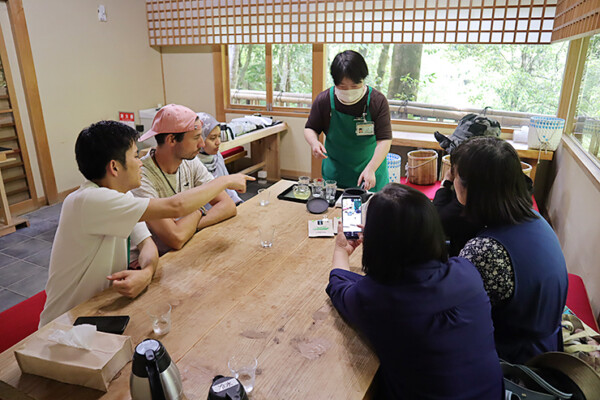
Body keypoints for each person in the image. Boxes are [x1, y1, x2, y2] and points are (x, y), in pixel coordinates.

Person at [40, 120, 252, 327]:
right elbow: (176, 206)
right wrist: (224, 181)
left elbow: (147, 244)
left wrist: (147, 272)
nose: (141, 162)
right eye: (134, 156)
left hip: (101, 308)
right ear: (114, 167)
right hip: (65, 323)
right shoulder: (90, 200)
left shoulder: (123, 197)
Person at [326, 184, 503, 400]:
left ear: (377, 241)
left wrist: (341, 251)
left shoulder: (377, 298)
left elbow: (338, 285)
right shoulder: (467, 272)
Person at [452, 136, 568, 364]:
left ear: (471, 188)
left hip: (514, 365)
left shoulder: (485, 252)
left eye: (454, 175)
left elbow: (454, 316)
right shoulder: (535, 219)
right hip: (547, 347)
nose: (450, 179)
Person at [132, 104, 237, 253]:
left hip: (189, 246)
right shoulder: (141, 178)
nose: (201, 143)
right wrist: (200, 210)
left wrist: (189, 224)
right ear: (171, 140)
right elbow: (176, 238)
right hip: (160, 260)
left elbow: (228, 205)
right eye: (196, 137)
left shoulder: (191, 162)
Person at [304, 50, 391, 191]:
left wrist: (371, 168)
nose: (349, 91)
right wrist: (314, 143)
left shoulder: (377, 101)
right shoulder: (324, 100)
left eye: (355, 86)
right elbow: (310, 128)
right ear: (335, 82)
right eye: (343, 87)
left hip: (370, 174)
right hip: (336, 176)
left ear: (363, 80)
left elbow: (384, 140)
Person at [196, 112, 243, 205]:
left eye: (219, 136)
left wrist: (238, 202)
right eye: (213, 138)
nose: (218, 142)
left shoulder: (216, 156)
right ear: (200, 139)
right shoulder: (191, 163)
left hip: (224, 206)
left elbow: (227, 187)